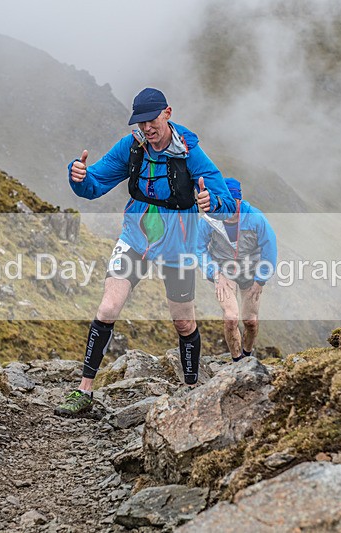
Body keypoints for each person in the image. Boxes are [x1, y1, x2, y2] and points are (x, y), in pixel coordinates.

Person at [55, 88, 236, 416]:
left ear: (168, 113)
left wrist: (213, 203)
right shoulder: (132, 146)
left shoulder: (191, 154)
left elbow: (223, 200)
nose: (146, 129)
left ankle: (191, 390)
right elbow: (94, 183)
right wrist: (78, 177)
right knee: (108, 307)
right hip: (135, 238)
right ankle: (84, 391)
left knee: (183, 323)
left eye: (151, 121)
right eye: (140, 123)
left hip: (177, 246)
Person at [196, 178, 277, 361]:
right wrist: (215, 273)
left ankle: (247, 355)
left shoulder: (256, 218)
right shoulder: (209, 219)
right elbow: (198, 248)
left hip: (251, 272)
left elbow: (269, 249)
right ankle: (237, 361)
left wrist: (260, 279)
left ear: (239, 200)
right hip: (224, 271)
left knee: (250, 321)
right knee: (231, 318)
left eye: (231, 203)